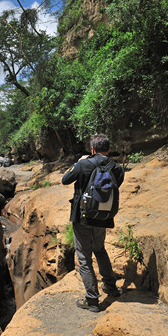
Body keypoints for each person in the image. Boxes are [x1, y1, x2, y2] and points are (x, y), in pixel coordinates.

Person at [61, 134, 124, 312]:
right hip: (103, 216)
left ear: (92, 149)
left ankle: (92, 300)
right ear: (109, 149)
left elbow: (65, 180)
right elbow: (115, 186)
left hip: (82, 217)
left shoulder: (84, 164)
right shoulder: (116, 167)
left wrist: (78, 162)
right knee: (99, 249)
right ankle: (111, 287)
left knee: (84, 257)